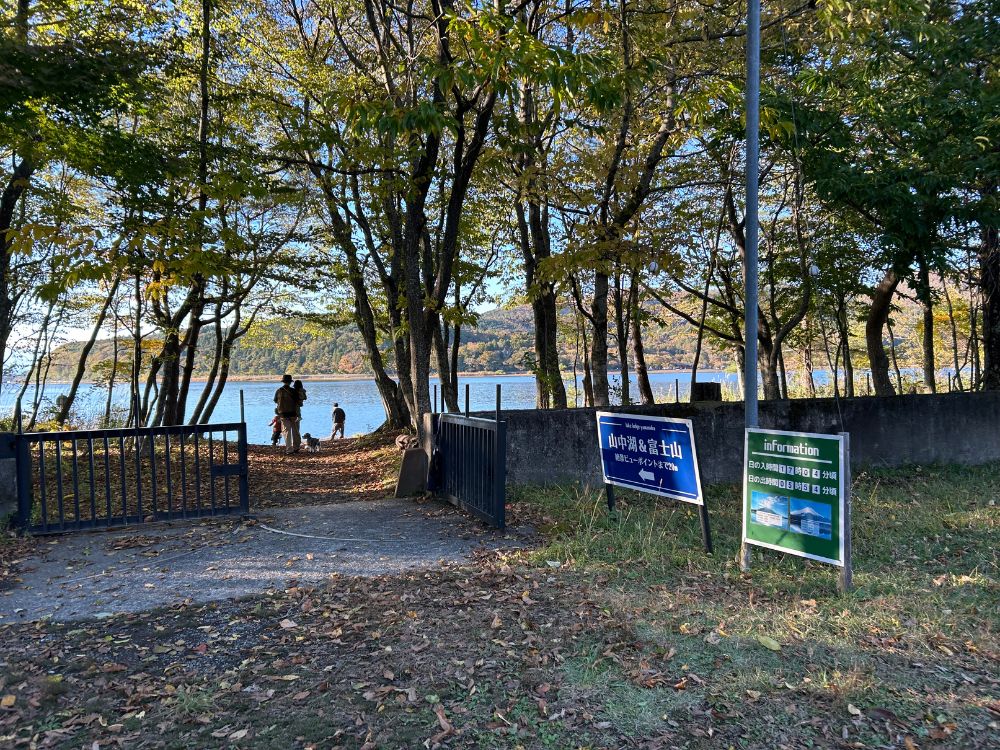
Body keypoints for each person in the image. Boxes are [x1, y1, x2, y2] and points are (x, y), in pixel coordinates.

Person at [273, 374, 301, 454]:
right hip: (293, 413)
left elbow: (275, 400)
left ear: (283, 382)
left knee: (286, 432)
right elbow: (298, 401)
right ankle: (296, 448)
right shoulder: (293, 391)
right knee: (295, 431)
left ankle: (289, 449)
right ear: (290, 382)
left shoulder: (279, 391)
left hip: (283, 414)